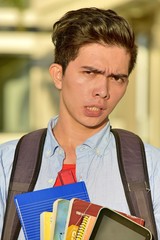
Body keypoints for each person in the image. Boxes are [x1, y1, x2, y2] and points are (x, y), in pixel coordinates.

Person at [0, 7, 160, 240]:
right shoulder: (7, 164)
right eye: (89, 73)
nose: (103, 91)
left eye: (116, 78)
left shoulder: (151, 169)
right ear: (58, 75)